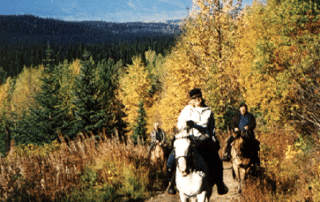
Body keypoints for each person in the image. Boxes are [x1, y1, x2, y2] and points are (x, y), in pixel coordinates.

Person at [166, 88, 228, 195]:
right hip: (189, 139)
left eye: (199, 96)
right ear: (191, 99)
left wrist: (202, 130)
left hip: (203, 140)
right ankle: (171, 184)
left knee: (216, 160)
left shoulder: (208, 111)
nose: (197, 99)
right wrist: (185, 125)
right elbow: (179, 124)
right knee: (171, 160)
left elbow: (211, 128)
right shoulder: (187, 110)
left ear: (201, 97)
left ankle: (220, 184)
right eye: (194, 98)